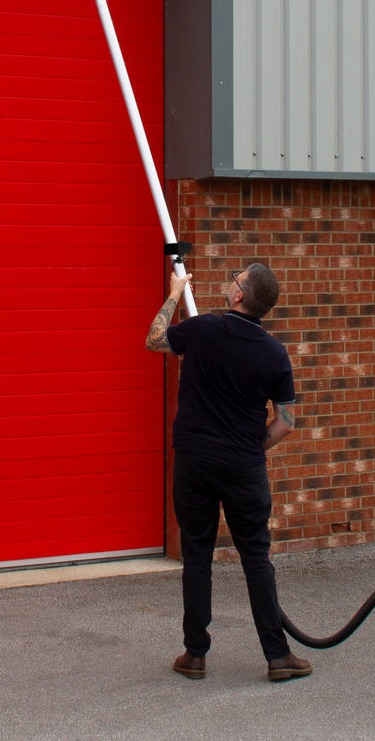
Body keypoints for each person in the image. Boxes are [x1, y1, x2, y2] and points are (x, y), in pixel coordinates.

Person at [145, 262, 312, 682]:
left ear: (240, 295)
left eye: (234, 280)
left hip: (194, 462)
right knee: (256, 556)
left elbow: (154, 341)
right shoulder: (274, 353)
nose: (228, 282)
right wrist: (251, 448)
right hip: (244, 469)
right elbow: (286, 422)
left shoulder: (202, 330)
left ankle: (194, 654)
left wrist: (173, 293)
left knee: (197, 555)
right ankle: (277, 656)